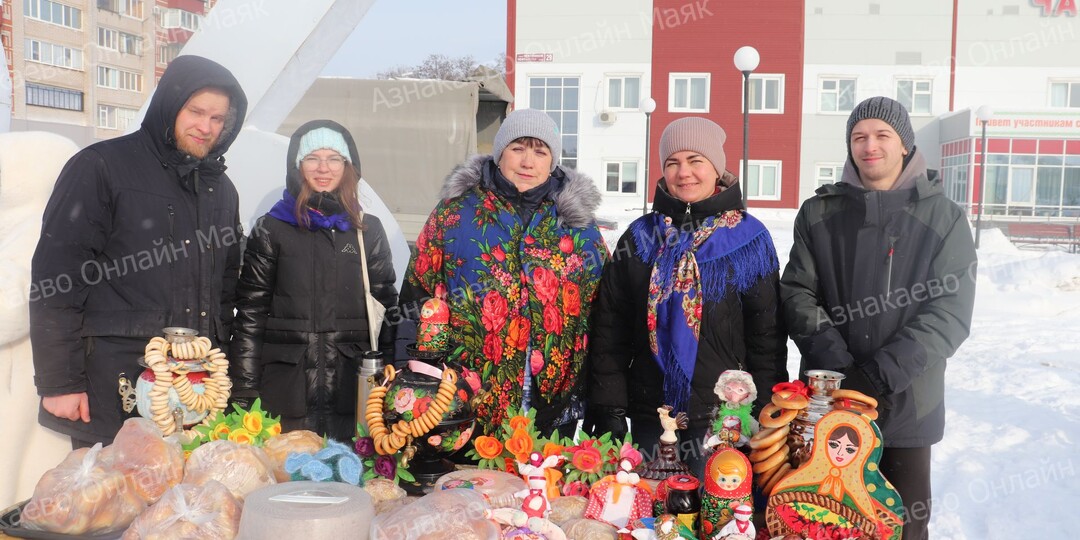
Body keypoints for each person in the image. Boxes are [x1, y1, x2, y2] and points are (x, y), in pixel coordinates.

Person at [780, 96, 977, 540]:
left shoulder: (943, 217)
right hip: (828, 402)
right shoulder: (818, 213)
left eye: (882, 135)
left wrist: (877, 377)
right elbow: (797, 291)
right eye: (859, 137)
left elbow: (949, 312)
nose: (870, 146)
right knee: (821, 517)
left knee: (904, 524)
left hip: (909, 405)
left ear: (904, 144)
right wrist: (840, 370)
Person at [29, 55, 248, 448]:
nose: (206, 127)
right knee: (111, 504)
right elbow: (56, 277)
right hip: (115, 387)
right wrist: (59, 381)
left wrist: (221, 378)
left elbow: (225, 293)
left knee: (184, 508)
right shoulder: (101, 166)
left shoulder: (221, 189)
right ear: (170, 106)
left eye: (218, 118)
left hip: (194, 396)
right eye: (196, 112)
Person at [586, 117, 788, 475]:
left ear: (717, 168)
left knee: (714, 517)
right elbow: (610, 328)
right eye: (672, 163)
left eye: (696, 160)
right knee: (649, 518)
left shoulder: (748, 239)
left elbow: (766, 334)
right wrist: (609, 408)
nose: (684, 172)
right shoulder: (640, 237)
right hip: (652, 411)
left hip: (723, 414)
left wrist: (765, 409)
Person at [399, 108, 608, 435]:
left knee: (544, 484)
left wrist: (603, 396)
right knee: (470, 483)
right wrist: (409, 374)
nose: (528, 162)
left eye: (540, 152)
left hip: (551, 397)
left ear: (551, 161)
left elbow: (603, 312)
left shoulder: (577, 225)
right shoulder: (455, 214)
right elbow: (416, 296)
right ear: (499, 154)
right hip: (465, 393)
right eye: (518, 148)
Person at [228, 120, 397, 442]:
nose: (323, 168)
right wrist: (245, 388)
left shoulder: (366, 231)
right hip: (285, 388)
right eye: (312, 158)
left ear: (348, 167)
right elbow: (251, 314)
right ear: (297, 166)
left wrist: (389, 381)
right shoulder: (271, 228)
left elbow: (387, 311)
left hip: (353, 387)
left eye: (333, 158)